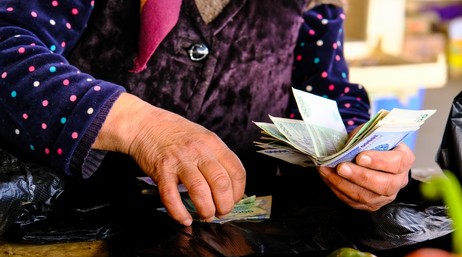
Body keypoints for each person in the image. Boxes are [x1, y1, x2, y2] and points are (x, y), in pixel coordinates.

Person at [0, 0, 414, 227]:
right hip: (77, 233)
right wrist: (144, 127)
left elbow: (326, 93)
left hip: (241, 243)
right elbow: (7, 48)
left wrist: (365, 157)